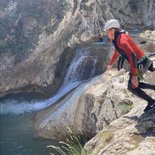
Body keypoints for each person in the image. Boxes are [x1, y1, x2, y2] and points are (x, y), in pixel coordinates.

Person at [104, 19, 155, 112]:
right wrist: (110, 64)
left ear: (112, 30)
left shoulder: (121, 40)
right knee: (136, 85)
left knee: (132, 86)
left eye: (107, 31)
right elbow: (116, 52)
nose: (106, 34)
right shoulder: (116, 39)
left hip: (140, 63)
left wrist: (134, 76)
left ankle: (152, 102)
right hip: (142, 61)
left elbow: (132, 56)